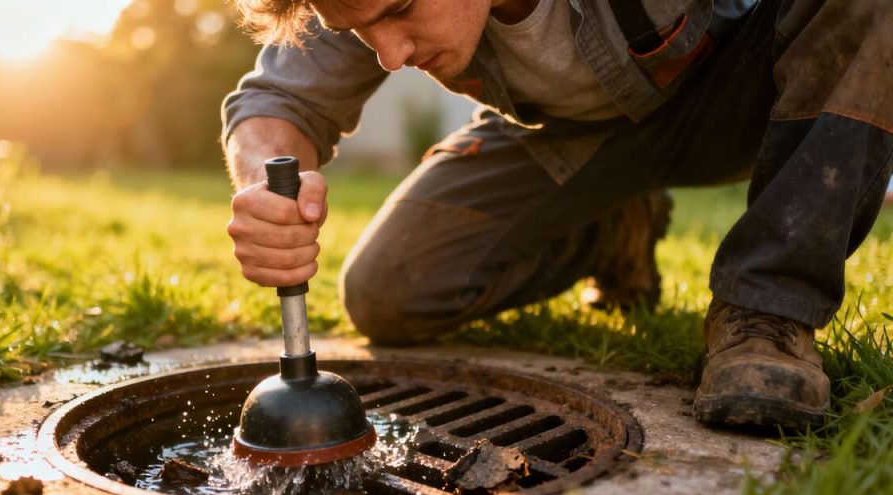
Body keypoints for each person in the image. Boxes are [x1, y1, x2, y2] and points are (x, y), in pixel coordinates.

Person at [222, 0, 893, 431]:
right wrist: (262, 185)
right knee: (389, 288)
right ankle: (613, 230)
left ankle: (769, 312)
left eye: (400, 10)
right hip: (577, 136)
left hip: (737, 97)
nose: (389, 54)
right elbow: (277, 101)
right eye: (360, 29)